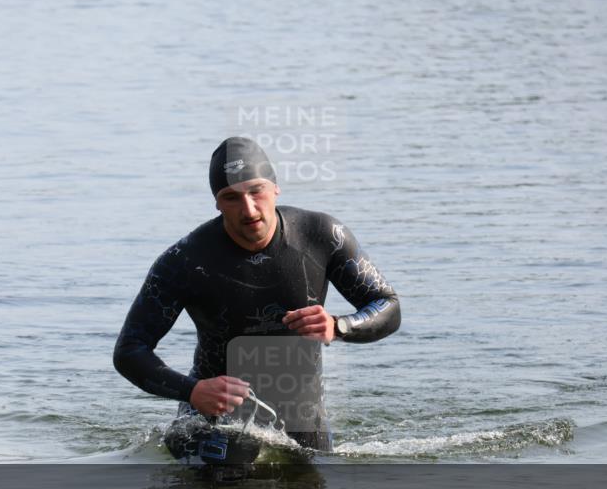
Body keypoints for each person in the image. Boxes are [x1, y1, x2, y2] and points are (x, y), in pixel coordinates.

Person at [113, 136, 400, 461]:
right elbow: (129, 351)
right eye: (231, 197)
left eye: (256, 191)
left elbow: (388, 305)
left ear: (275, 187)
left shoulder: (322, 236)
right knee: (229, 478)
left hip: (301, 419)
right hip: (212, 422)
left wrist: (339, 326)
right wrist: (192, 391)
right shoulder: (184, 261)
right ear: (217, 203)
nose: (248, 209)